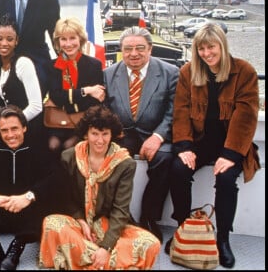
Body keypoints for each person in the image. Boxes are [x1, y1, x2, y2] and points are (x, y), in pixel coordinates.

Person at [166, 23, 260, 268]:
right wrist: (184, 146)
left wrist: (230, 154)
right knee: (177, 169)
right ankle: (183, 229)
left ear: (222, 45)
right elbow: (181, 111)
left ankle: (223, 239)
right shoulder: (188, 72)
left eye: (211, 47)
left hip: (233, 141)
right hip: (201, 140)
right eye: (201, 49)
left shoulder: (244, 71)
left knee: (227, 179)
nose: (206, 54)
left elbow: (246, 115)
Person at [39, 105, 161, 270]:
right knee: (51, 223)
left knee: (151, 244)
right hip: (79, 223)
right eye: (94, 133)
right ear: (86, 134)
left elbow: (121, 211)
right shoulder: (69, 157)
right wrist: (81, 221)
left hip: (108, 224)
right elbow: (66, 198)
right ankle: (108, 262)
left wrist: (105, 247)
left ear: (112, 134)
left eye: (105, 134)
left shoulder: (125, 163)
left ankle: (90, 258)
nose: (100, 140)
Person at [0, 105, 69, 270]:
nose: (10, 135)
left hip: (28, 214)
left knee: (50, 194)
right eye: (4, 130)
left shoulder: (39, 149)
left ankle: (17, 246)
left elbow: (58, 177)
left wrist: (28, 197)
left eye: (14, 129)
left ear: (24, 127)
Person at [103, 26, 179, 242]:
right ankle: (119, 217)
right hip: (122, 133)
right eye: (128, 49)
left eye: (139, 48)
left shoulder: (170, 73)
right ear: (121, 50)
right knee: (110, 159)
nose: (133, 54)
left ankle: (149, 217)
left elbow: (174, 111)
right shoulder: (108, 75)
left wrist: (158, 136)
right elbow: (105, 111)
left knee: (165, 158)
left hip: (155, 132)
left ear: (150, 49)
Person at [0, 14, 44, 144]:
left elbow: (36, 106)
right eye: (0, 39)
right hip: (2, 127)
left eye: (9, 39)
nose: (4, 43)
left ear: (16, 41)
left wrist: (7, 125)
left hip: (24, 128)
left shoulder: (23, 64)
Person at [46, 17, 105, 153]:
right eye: (63, 39)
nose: (68, 44)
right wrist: (86, 90)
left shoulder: (94, 65)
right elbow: (56, 96)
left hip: (84, 122)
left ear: (80, 39)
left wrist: (66, 101)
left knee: (69, 146)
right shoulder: (52, 66)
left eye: (72, 38)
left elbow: (95, 101)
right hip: (57, 122)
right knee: (52, 145)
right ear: (58, 42)